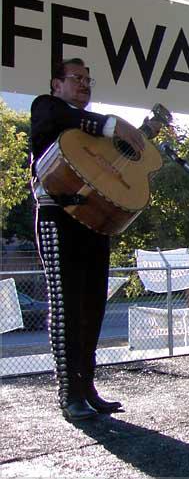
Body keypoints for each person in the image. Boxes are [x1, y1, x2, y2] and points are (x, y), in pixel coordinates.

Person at [30, 58, 160, 420]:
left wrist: (137, 136)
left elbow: (111, 162)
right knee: (67, 307)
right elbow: (62, 121)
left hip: (94, 220)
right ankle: (69, 393)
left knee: (92, 308)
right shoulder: (47, 107)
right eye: (77, 78)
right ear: (57, 84)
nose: (85, 84)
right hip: (58, 216)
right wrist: (113, 125)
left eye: (89, 79)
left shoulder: (97, 129)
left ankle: (87, 387)